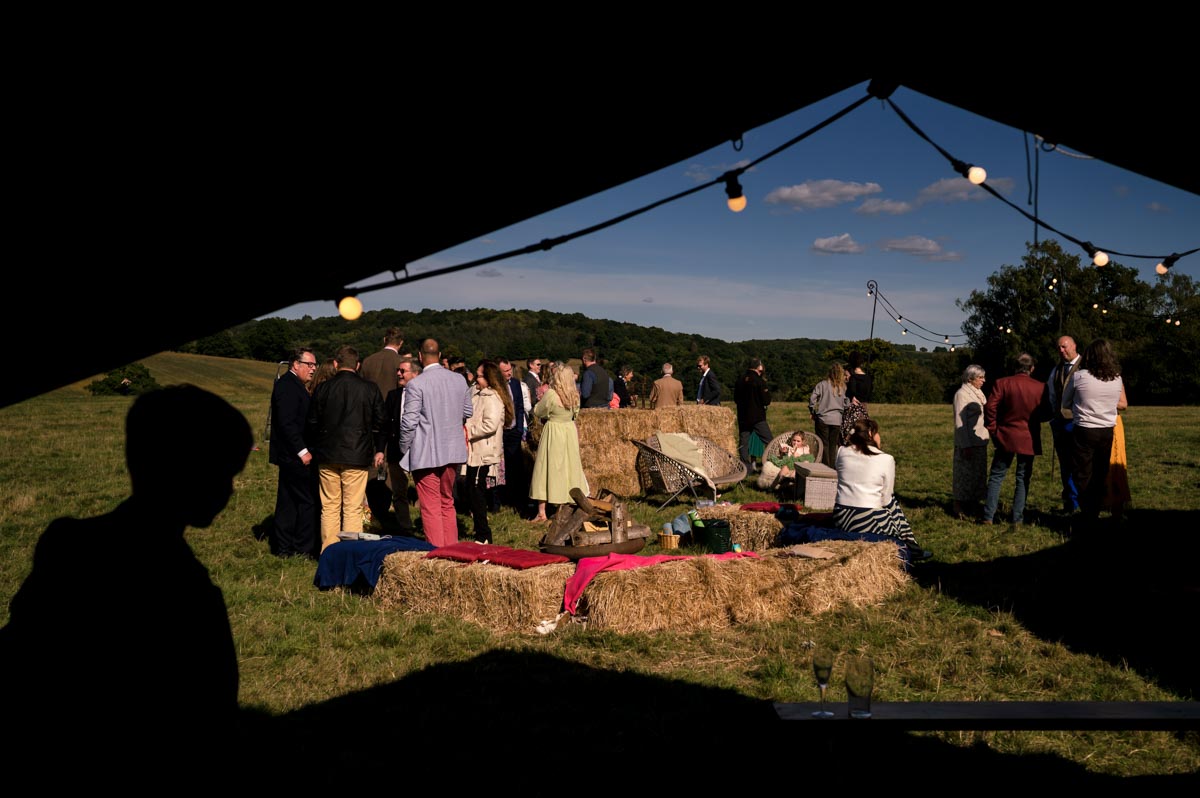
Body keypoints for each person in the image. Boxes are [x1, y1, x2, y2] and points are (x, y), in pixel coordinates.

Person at [0, 385, 252, 778]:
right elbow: (211, 720)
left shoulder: (67, 542)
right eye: (223, 474)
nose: (229, 491)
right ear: (183, 472)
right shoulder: (189, 596)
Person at [306, 345, 387, 552]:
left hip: (327, 455)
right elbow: (381, 422)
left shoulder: (323, 388)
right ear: (358, 365)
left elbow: (311, 422)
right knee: (352, 508)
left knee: (330, 507)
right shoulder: (370, 389)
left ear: (335, 364)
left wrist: (317, 446)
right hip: (357, 455)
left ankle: (329, 553)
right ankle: (348, 555)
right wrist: (378, 448)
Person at [399, 339, 474, 547]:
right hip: (452, 449)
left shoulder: (416, 384)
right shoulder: (459, 380)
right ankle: (451, 549)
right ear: (440, 356)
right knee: (447, 501)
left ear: (420, 357)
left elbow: (409, 422)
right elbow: (468, 412)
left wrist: (404, 448)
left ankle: (437, 551)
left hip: (425, 452)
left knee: (430, 505)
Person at [833, 417, 930, 561]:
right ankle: (912, 546)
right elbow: (886, 498)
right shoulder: (886, 459)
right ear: (871, 434)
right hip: (866, 517)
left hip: (841, 515)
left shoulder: (841, 451)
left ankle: (914, 547)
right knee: (893, 505)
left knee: (892, 507)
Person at [1062, 338, 1128, 527]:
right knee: (1100, 473)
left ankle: (1088, 513)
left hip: (1084, 429)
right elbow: (1119, 403)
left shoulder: (1080, 376)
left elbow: (1065, 403)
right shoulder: (1116, 378)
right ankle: (1096, 509)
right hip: (1107, 430)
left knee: (1083, 473)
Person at [981, 353, 1047, 526]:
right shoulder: (1040, 387)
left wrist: (993, 428)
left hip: (1006, 435)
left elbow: (990, 407)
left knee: (996, 476)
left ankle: (988, 516)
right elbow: (1046, 412)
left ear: (1015, 367)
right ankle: (1017, 518)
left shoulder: (1002, 383)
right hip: (1028, 437)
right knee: (1023, 478)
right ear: (1032, 368)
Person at [268, 348, 320, 558]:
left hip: (291, 455)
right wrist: (302, 451)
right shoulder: (288, 387)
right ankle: (302, 547)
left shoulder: (293, 385)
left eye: (315, 365)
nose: (313, 369)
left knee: (288, 501)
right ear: (295, 364)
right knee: (307, 501)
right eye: (310, 365)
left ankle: (284, 547)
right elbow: (287, 423)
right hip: (294, 456)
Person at [529, 364, 589, 523]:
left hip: (554, 432)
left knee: (546, 468)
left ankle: (542, 512)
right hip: (569, 431)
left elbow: (538, 411)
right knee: (569, 468)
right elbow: (575, 415)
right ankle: (563, 507)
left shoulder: (551, 394)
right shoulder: (575, 395)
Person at [465, 360, 513, 543]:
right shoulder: (478, 394)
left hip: (483, 450)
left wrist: (468, 431)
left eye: (479, 375)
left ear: (488, 378)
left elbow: (490, 425)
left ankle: (483, 534)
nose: (475, 378)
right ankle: (480, 530)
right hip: (475, 449)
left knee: (476, 490)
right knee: (472, 489)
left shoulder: (492, 398)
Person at [383, 356, 421, 534]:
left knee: (424, 491)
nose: (398, 374)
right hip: (396, 450)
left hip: (421, 449)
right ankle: (405, 527)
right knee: (398, 491)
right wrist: (380, 450)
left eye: (402, 371)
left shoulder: (423, 394)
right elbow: (385, 425)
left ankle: (427, 524)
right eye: (398, 371)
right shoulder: (393, 395)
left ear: (415, 374)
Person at [1046, 335, 1082, 513]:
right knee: (1065, 465)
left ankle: (1082, 502)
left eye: (1065, 347)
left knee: (1079, 464)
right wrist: (1054, 417)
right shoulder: (1056, 369)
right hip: (1060, 423)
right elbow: (1052, 394)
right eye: (1059, 347)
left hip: (1080, 423)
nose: (1061, 350)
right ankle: (1070, 502)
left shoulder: (1085, 367)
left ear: (1074, 346)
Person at [952, 364, 989, 519]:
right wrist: (966, 445)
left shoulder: (978, 392)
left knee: (977, 475)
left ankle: (974, 504)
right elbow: (960, 422)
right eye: (980, 378)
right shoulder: (962, 394)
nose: (984, 381)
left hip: (980, 440)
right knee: (964, 476)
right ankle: (959, 506)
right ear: (971, 378)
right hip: (967, 442)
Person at [497, 357, 532, 514]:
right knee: (499, 467)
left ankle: (516, 500)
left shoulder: (516, 384)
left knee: (515, 466)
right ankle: (500, 499)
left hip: (513, 431)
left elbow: (519, 406)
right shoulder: (495, 386)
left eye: (510, 369)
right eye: (505, 371)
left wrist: (519, 428)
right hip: (498, 432)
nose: (509, 373)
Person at [734, 357, 773, 472]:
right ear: (758, 367)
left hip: (743, 416)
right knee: (770, 441)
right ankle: (776, 462)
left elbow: (736, 398)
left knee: (744, 443)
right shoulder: (759, 381)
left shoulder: (740, 379)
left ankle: (745, 468)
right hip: (757, 417)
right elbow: (766, 400)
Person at [809, 362, 847, 469]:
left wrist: (812, 411)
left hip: (823, 419)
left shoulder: (822, 384)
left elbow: (812, 399)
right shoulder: (843, 387)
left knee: (823, 445)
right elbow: (846, 402)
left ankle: (825, 468)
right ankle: (832, 468)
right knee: (832, 446)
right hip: (837, 420)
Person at [359, 326, 405, 400]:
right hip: (392, 408)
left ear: (384, 340)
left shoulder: (367, 361)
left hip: (371, 407)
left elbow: (361, 387)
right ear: (401, 343)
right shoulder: (403, 362)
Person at [840, 351, 873, 446]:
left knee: (850, 432)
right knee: (862, 430)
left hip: (853, 408)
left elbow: (851, 393)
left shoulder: (853, 378)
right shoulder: (868, 378)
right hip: (864, 407)